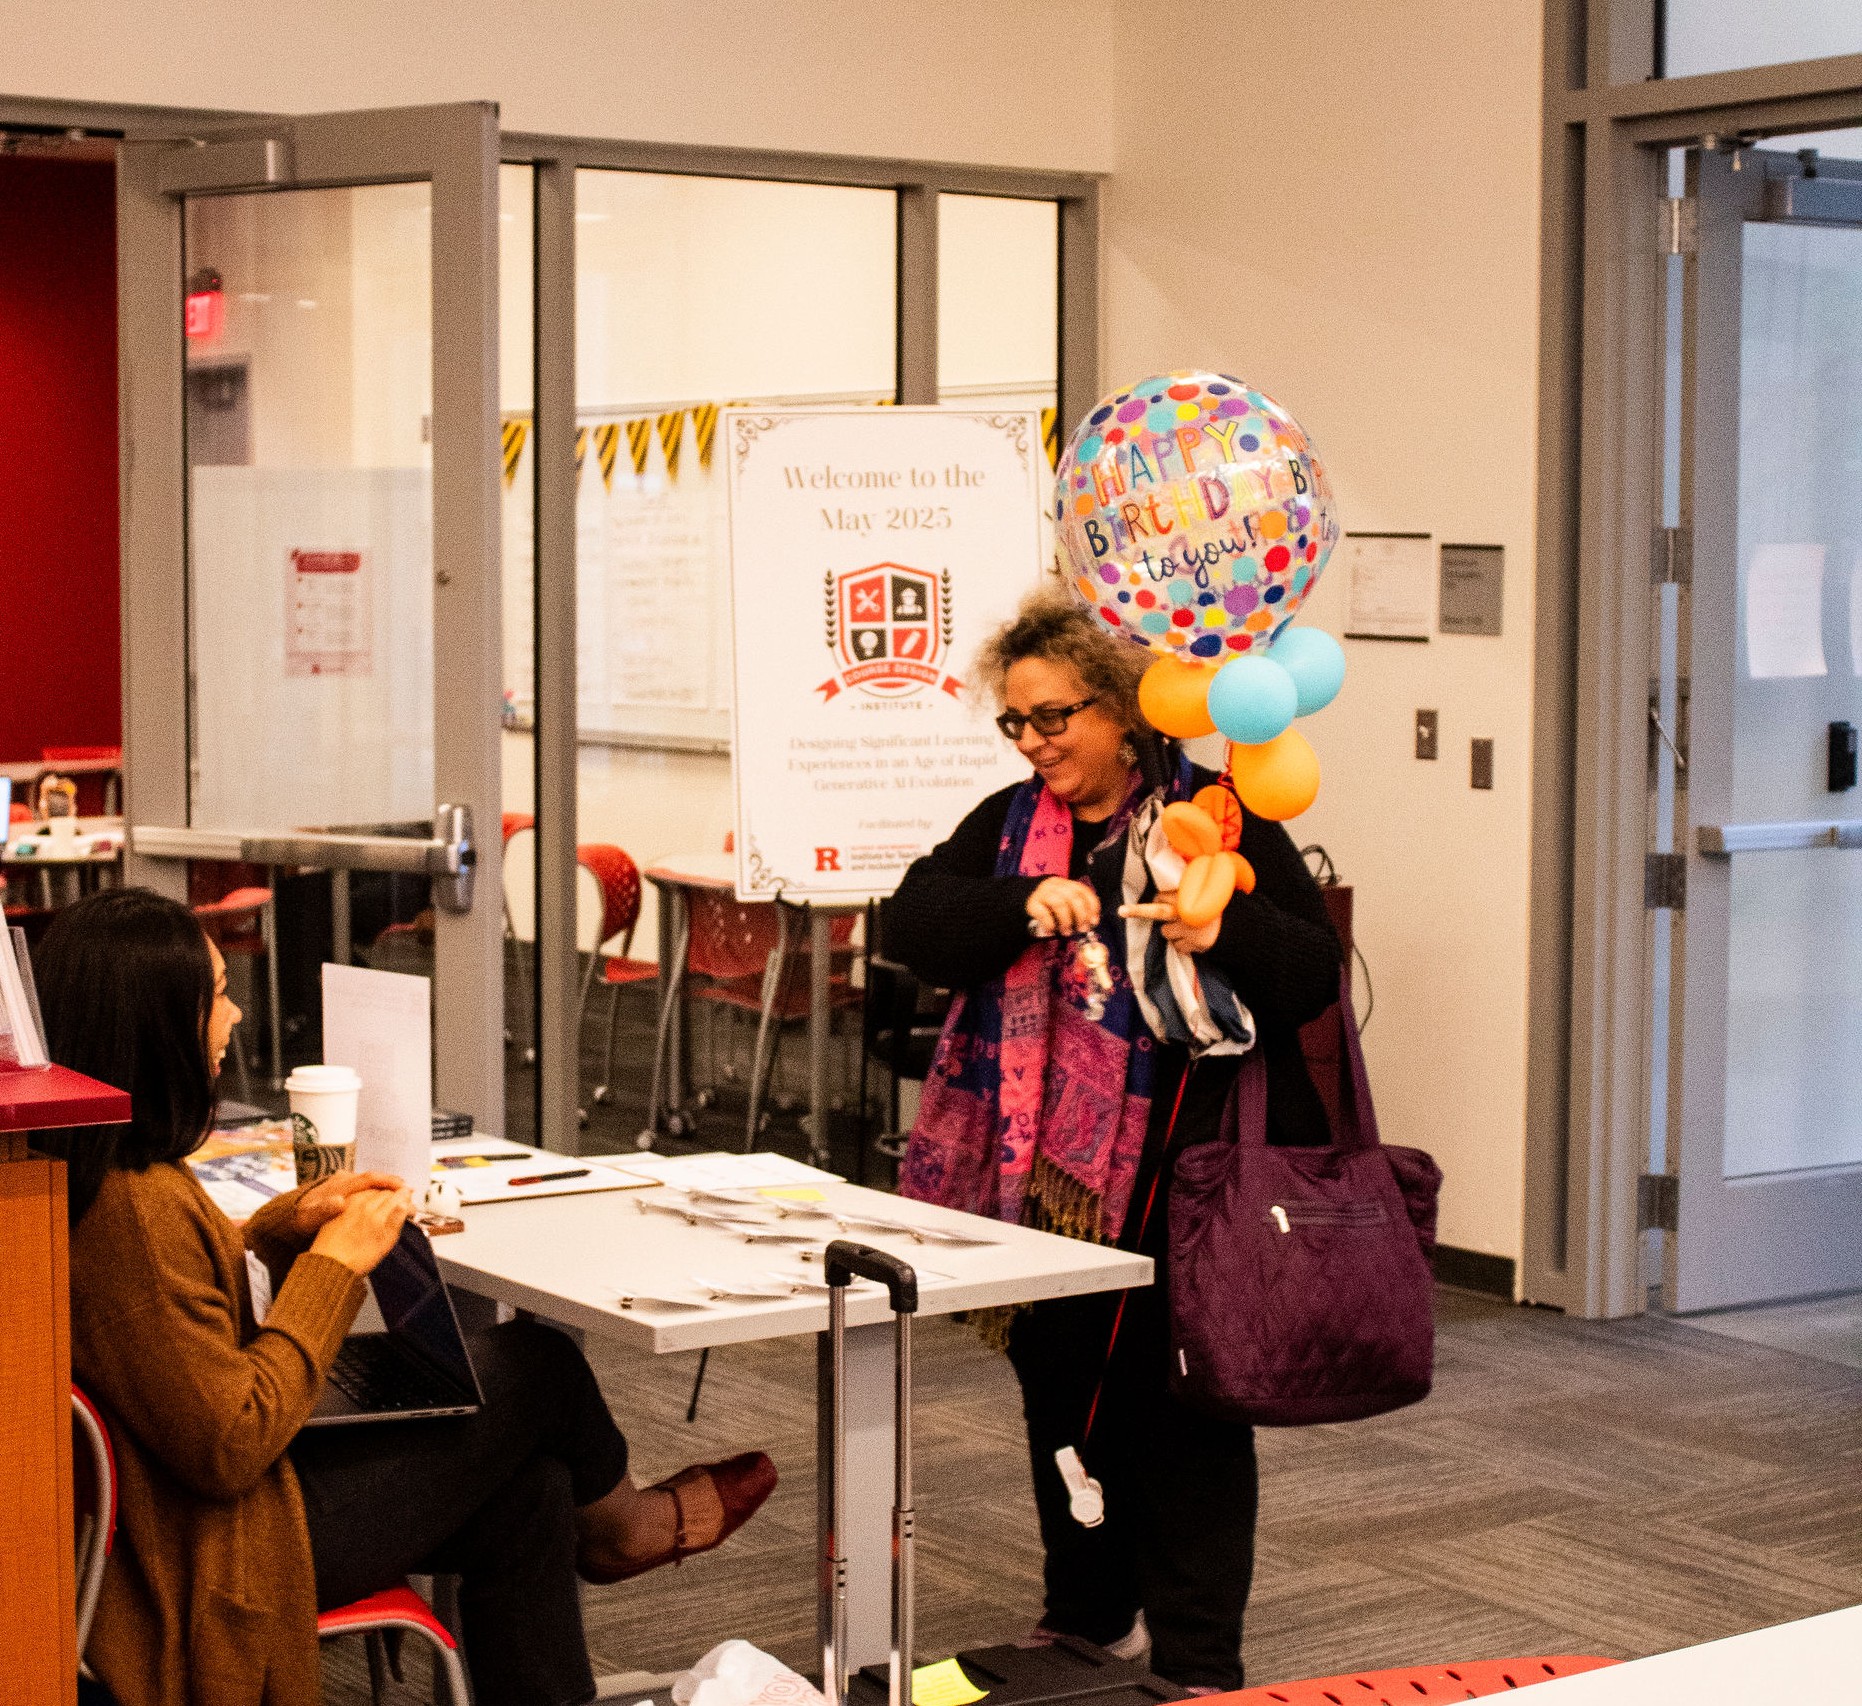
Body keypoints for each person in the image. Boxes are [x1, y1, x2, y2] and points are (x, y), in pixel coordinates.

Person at [36, 887, 776, 1706]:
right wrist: (331, 1269)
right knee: (538, 1364)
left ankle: (605, 1544)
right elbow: (230, 1442)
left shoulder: (100, 1180)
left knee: (532, 1496)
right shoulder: (134, 1209)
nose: (236, 1015)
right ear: (154, 1026)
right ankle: (631, 1528)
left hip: (208, 1515)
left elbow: (181, 1320)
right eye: (214, 995)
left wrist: (286, 1231)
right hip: (227, 1544)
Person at [882, 590, 1341, 1692]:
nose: (1035, 742)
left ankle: (1196, 1660)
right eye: (1016, 721)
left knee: (1180, 1416)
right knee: (1058, 1389)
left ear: (1126, 712)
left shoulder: (1217, 814)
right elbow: (912, 921)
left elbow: (1309, 973)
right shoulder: (1007, 825)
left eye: (1056, 717)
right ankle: (1088, 1614)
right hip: (1043, 1183)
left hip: (1181, 1175)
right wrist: (1019, 903)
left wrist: (1218, 922)